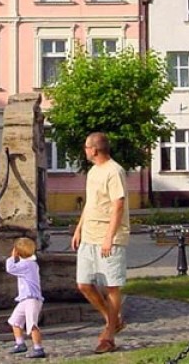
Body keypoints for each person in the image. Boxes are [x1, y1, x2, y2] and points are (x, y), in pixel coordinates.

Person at [71, 132, 130, 355]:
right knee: (84, 284)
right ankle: (112, 319)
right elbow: (91, 203)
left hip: (109, 237)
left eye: (87, 147)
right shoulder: (93, 171)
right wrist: (79, 228)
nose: (85, 151)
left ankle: (109, 336)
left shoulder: (114, 171)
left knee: (111, 286)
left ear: (94, 149)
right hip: (89, 235)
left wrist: (109, 237)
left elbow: (118, 205)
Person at [5, 237, 46, 359]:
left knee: (32, 324)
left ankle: (38, 348)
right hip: (24, 299)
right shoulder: (30, 264)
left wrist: (12, 257)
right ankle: (20, 343)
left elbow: (10, 268)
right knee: (15, 321)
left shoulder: (27, 265)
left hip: (32, 299)